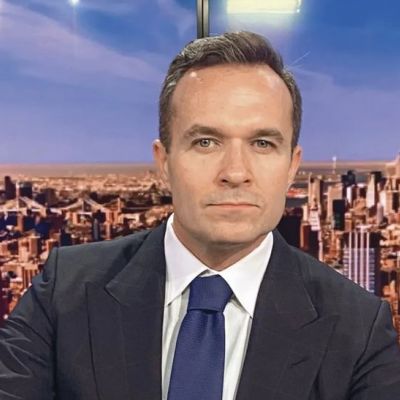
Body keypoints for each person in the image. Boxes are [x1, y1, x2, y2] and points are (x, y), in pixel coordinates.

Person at [1, 31, 400, 400]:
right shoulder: (65, 290)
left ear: (292, 166)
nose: (235, 172)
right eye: (206, 142)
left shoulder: (359, 328)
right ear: (164, 161)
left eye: (263, 143)